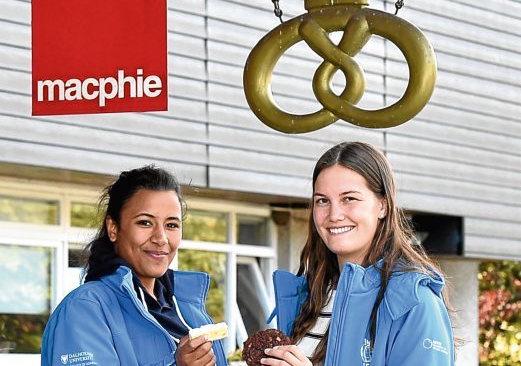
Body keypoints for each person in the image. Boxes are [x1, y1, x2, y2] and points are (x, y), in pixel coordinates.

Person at [262, 142, 455, 366]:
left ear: (383, 205)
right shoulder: (307, 298)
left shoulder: (413, 301)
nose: (334, 215)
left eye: (349, 199)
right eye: (323, 201)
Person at [41, 165, 227, 366]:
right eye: (145, 223)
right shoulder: (84, 309)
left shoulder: (192, 313)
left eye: (171, 225)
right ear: (113, 228)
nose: (161, 238)